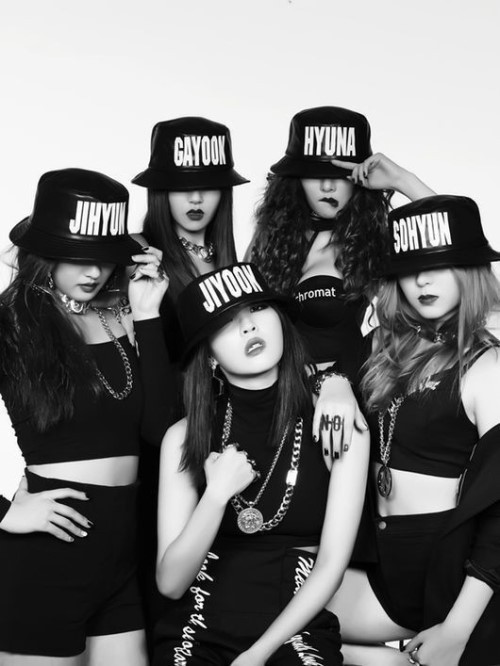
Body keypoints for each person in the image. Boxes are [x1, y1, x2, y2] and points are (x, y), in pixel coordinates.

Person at [154, 262, 370, 665]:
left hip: (294, 628)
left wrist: (257, 655)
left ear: (281, 321)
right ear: (209, 356)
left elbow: (331, 566)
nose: (248, 327)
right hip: (199, 625)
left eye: (256, 309)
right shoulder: (183, 438)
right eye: (225, 323)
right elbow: (170, 583)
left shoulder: (336, 420)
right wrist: (216, 495)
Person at [0, 168, 172, 665]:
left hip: (122, 556)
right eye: (78, 255)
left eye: (104, 255)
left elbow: (159, 428)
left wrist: (148, 314)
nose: (95, 271)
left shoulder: (120, 315)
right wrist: (5, 512)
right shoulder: (13, 321)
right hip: (48, 556)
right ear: (46, 251)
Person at [329, 195, 500, 666]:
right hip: (380, 556)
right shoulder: (387, 345)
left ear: (469, 270)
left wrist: (459, 629)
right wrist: (335, 387)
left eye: (439, 265)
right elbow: (331, 371)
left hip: (447, 570)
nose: (422, 280)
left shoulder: (489, 367)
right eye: (409, 269)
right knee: (265, 610)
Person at [247, 106, 435, 446]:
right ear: (295, 178)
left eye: (340, 173)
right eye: (313, 173)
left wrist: (402, 180)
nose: (327, 185)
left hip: (344, 411)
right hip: (274, 410)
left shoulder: (378, 242)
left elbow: (456, 247)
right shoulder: (271, 239)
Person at [132, 115, 249, 364]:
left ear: (224, 191)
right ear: (161, 190)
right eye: (182, 186)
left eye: (209, 185)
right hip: (166, 389)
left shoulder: (229, 260)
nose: (196, 198)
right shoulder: (141, 253)